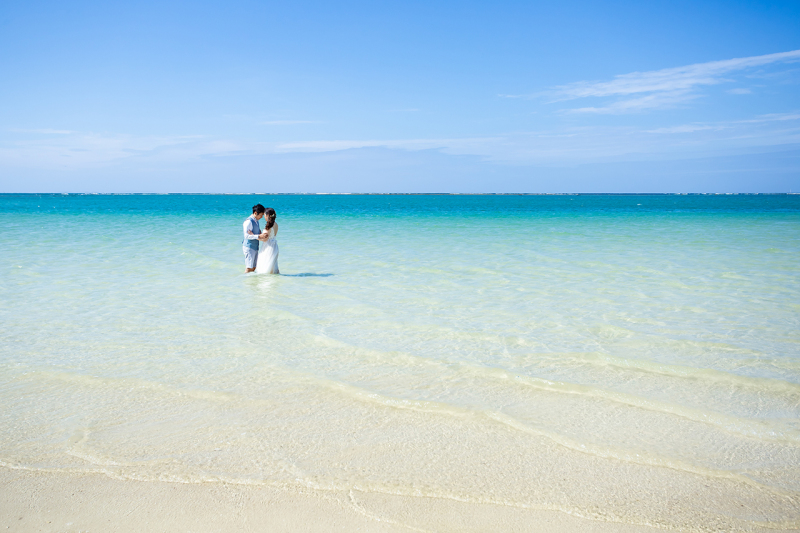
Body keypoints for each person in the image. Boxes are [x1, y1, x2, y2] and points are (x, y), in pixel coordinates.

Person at [243, 204, 269, 273]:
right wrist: (258, 236)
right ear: (255, 213)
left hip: (255, 247)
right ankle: (245, 282)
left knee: (254, 267)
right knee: (249, 268)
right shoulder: (248, 221)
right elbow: (246, 236)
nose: (261, 217)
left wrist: (260, 234)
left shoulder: (256, 221)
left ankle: (251, 282)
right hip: (249, 247)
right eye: (261, 215)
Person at [255, 208, 279, 274]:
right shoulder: (276, 224)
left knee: (265, 265)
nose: (264, 217)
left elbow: (265, 239)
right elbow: (272, 236)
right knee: (272, 266)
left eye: (265, 215)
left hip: (268, 247)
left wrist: (255, 237)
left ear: (267, 215)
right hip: (274, 246)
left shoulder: (268, 225)